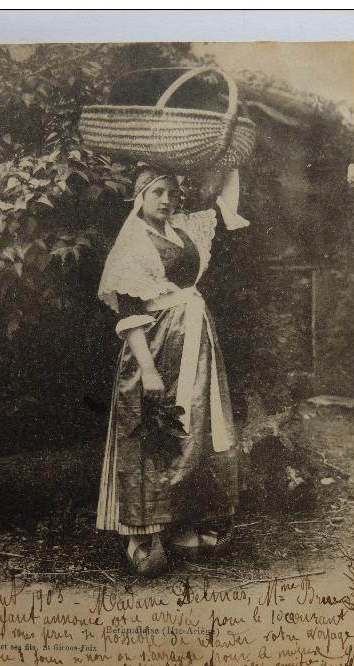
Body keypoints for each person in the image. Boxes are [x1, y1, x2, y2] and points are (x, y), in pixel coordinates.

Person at [96, 165, 249, 576]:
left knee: (196, 429)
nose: (166, 201)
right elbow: (129, 315)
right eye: (157, 193)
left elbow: (223, 204)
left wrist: (228, 161)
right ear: (139, 196)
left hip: (196, 343)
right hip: (156, 347)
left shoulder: (184, 229)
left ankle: (184, 522)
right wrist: (147, 370)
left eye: (171, 193)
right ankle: (143, 531)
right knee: (154, 430)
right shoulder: (131, 244)